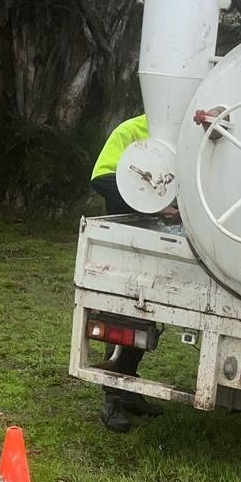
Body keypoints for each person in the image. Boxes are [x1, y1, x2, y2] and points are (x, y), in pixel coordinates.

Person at [89, 112, 163, 433]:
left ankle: (128, 388)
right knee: (123, 319)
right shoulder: (132, 130)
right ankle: (113, 400)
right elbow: (102, 178)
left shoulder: (187, 133)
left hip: (163, 241)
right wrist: (151, 204)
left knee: (147, 321)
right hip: (128, 239)